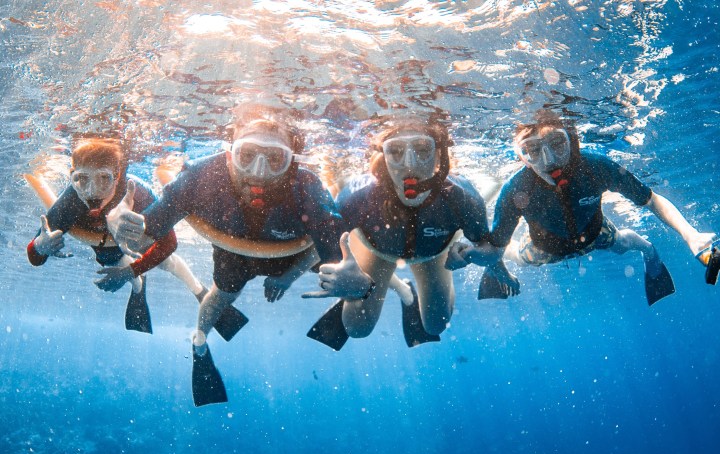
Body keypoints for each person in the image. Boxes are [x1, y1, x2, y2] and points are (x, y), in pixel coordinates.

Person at [106, 110, 359, 406]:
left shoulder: (307, 186)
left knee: (355, 266)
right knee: (223, 294)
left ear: (291, 164)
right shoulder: (203, 176)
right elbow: (148, 232)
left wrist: (348, 282)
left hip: (297, 253)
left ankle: (367, 296)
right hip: (234, 253)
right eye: (247, 155)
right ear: (228, 156)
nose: (259, 172)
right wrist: (119, 225)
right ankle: (199, 342)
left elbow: (336, 247)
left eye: (274, 159)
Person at [455, 109, 716, 305]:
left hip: (595, 232)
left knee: (624, 242)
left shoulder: (595, 167)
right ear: (521, 157)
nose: (548, 160)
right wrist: (493, 268)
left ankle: (651, 253)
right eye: (532, 150)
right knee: (516, 257)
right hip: (544, 247)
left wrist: (690, 235)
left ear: (572, 139)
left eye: (556, 144)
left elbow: (650, 199)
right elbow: (495, 246)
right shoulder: (515, 189)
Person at [303, 115, 518, 350]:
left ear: (439, 155)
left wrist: (492, 267)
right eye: (395, 151)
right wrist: (351, 283)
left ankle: (405, 290)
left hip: (435, 254)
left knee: (436, 324)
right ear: (383, 157)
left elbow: (486, 245)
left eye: (422, 149)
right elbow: (326, 244)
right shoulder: (358, 194)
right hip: (377, 251)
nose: (409, 164)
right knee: (356, 328)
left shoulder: (461, 196)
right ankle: (397, 286)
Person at [26, 137, 245, 335]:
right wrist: (39, 246)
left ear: (118, 175)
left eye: (103, 178)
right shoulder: (70, 201)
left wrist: (131, 269)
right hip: (102, 243)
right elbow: (35, 258)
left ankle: (198, 290)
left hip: (134, 237)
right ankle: (138, 285)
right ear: (71, 176)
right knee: (116, 262)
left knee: (163, 260)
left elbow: (169, 244)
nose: (92, 191)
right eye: (81, 179)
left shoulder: (137, 193)